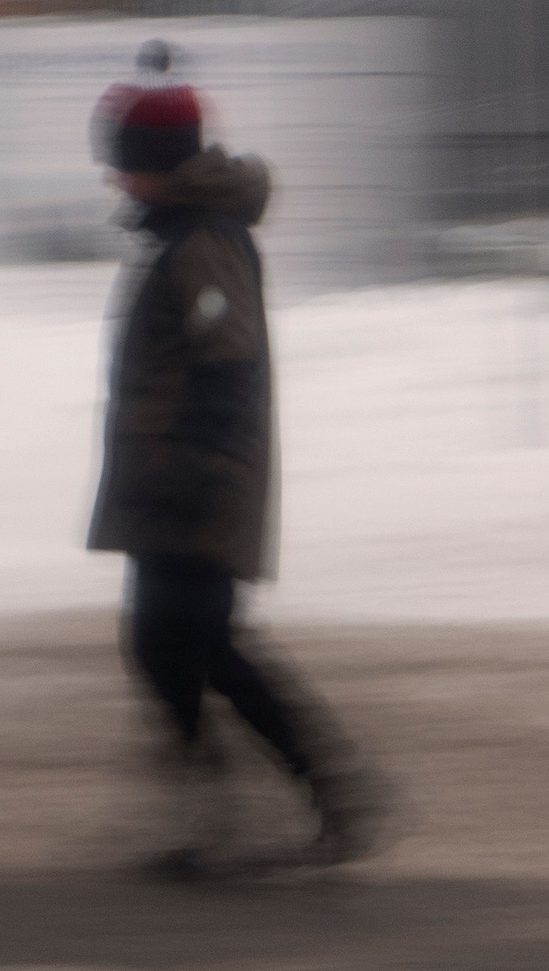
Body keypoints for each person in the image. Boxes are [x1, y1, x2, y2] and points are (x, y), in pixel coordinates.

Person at [88, 43, 385, 874]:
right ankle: (235, 803)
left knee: (196, 642)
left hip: (197, 485)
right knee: (172, 642)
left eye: (122, 163)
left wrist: (198, 469)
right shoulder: (179, 235)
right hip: (174, 481)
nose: (113, 179)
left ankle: (309, 788)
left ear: (155, 164)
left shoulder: (204, 243)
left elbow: (226, 361)